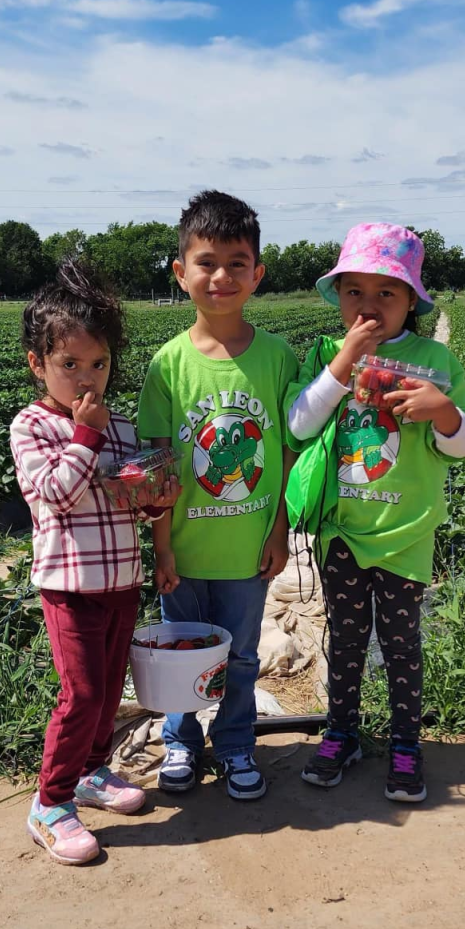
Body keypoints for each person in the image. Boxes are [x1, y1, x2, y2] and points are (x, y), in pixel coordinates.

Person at [286, 223, 465, 803]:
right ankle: (341, 732)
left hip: (404, 533)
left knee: (400, 643)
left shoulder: (434, 359)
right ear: (337, 297)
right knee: (345, 639)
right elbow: (299, 427)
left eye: (386, 294)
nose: (368, 307)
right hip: (342, 531)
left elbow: (464, 444)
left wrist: (443, 412)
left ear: (411, 302)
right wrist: (345, 360)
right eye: (354, 293)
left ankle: (404, 744)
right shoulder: (326, 355)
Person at [10, 260, 179, 864]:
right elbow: (55, 492)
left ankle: (91, 770)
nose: (88, 379)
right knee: (80, 694)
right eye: (69, 365)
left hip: (122, 581)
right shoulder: (33, 427)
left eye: (99, 364)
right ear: (39, 364)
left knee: (109, 692)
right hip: (70, 586)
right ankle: (50, 803)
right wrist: (85, 437)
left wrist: (157, 496)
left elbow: (139, 493)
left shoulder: (122, 427)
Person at [137, 190, 299, 801]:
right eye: (206, 261)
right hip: (185, 546)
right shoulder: (167, 366)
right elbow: (156, 470)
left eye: (237, 262)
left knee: (240, 658)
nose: (222, 276)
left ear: (257, 272)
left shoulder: (278, 358)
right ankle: (181, 741)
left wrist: (279, 530)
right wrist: (163, 549)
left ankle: (234, 746)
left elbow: (284, 452)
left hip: (248, 550)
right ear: (181, 274)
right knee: (182, 656)